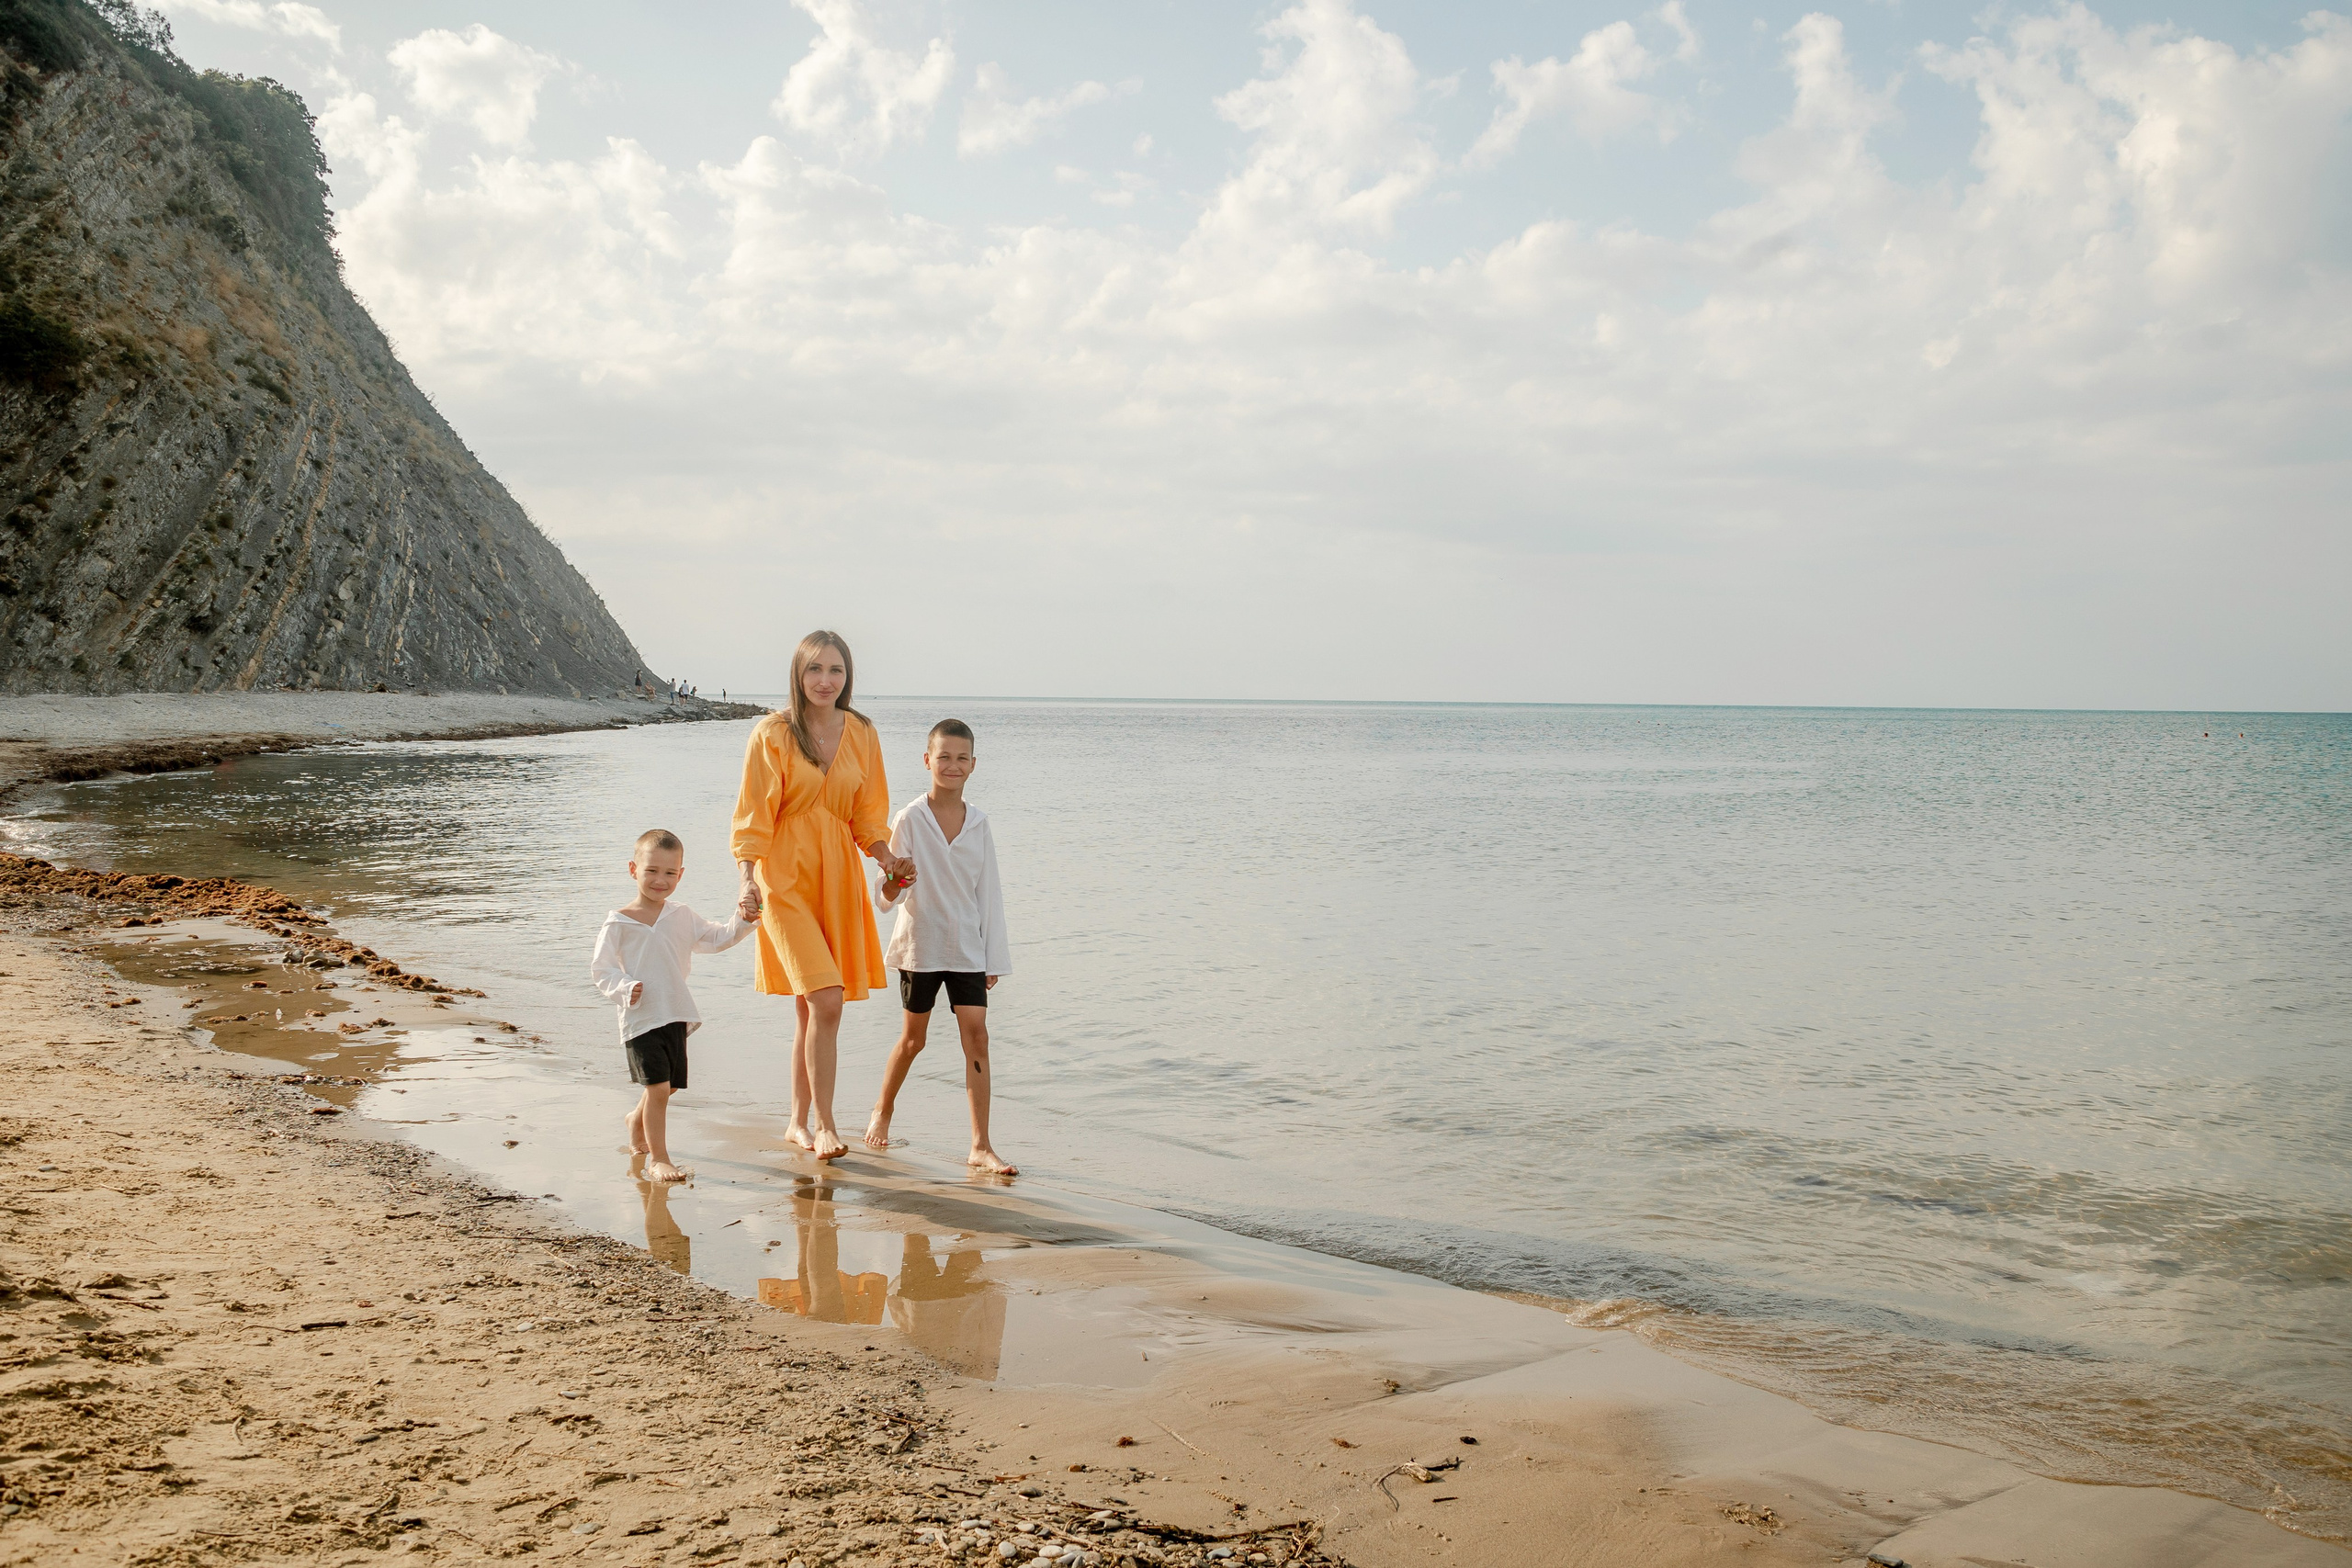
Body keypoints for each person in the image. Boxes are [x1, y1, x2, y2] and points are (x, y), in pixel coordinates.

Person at [731, 630, 915, 1161]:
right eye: (815, 669)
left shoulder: (861, 731)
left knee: (811, 1008)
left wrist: (888, 861)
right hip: (782, 877)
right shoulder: (772, 733)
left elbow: (867, 815)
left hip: (836, 874)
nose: (825, 680)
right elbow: (752, 815)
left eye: (835, 670)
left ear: (848, 676)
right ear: (798, 673)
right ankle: (827, 1124)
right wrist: (746, 880)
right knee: (826, 998)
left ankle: (795, 1122)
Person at [862, 718, 1016, 1175]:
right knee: (913, 1040)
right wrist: (893, 882)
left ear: (973, 765)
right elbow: (888, 893)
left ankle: (981, 1145)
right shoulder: (910, 818)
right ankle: (883, 1110)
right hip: (921, 947)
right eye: (943, 757)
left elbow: (989, 893)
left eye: (961, 758)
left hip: (967, 946)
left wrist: (994, 957)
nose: (952, 765)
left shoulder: (980, 824)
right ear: (928, 761)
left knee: (978, 1038)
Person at [589, 828, 756, 1182]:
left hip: (675, 1012)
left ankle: (636, 1119)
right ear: (633, 869)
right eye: (651, 871)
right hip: (640, 1017)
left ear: (680, 874)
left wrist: (744, 920)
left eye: (669, 873)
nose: (659, 880)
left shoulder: (681, 915)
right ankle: (659, 1159)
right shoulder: (618, 921)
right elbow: (601, 969)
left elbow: (717, 938)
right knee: (659, 1088)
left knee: (671, 1084)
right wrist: (624, 987)